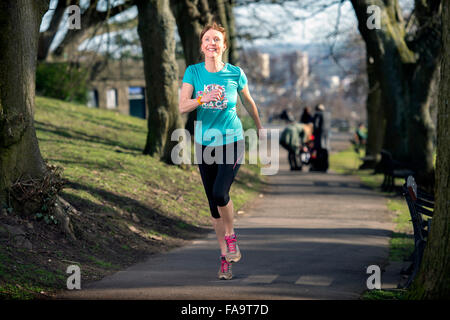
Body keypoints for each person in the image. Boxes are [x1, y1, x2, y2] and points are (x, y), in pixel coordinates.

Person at [179, 22, 264, 280]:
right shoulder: (193, 72)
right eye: (207, 39)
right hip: (205, 144)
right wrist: (204, 98)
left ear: (223, 46)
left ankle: (231, 237)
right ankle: (225, 258)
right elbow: (183, 106)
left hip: (232, 140)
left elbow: (248, 102)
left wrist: (259, 128)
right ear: (202, 46)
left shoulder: (235, 74)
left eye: (217, 39)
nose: (212, 43)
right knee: (213, 207)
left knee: (220, 192)